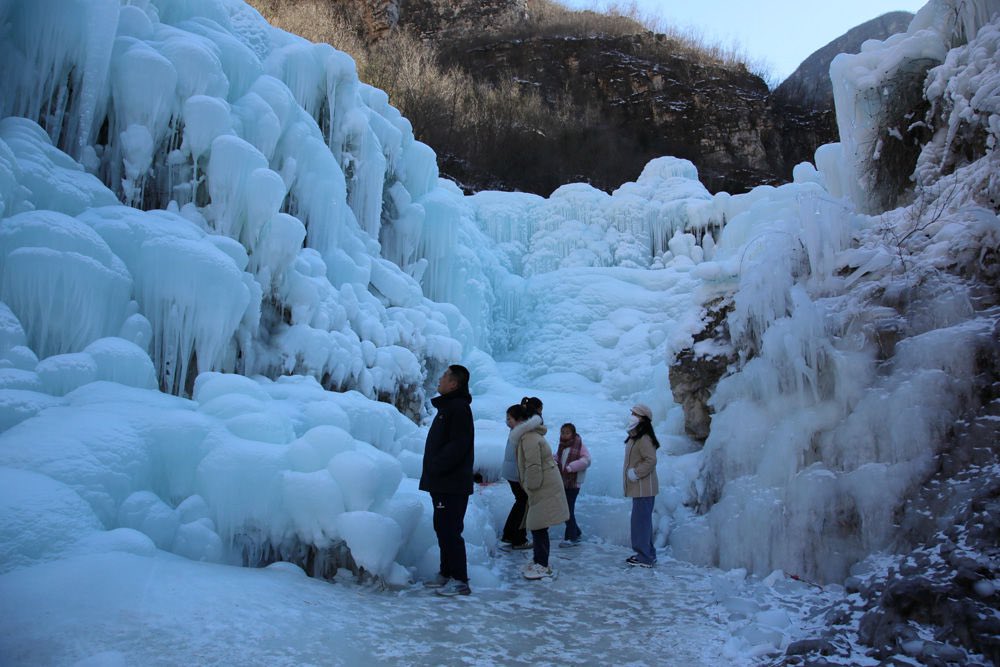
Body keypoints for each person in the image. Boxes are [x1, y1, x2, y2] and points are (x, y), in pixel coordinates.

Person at [419, 365, 475, 596]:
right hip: (444, 482)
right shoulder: (449, 408)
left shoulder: (458, 409)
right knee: (442, 528)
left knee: (450, 530)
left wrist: (436, 466)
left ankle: (460, 580)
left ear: (454, 384)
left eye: (443, 376)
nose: (439, 379)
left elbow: (458, 446)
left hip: (451, 483)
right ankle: (446, 574)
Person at [509, 403, 569, 580]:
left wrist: (531, 488)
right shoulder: (529, 436)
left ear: (522, 420)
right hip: (543, 486)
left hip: (542, 487)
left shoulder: (528, 438)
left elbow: (533, 465)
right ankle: (538, 561)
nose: (508, 422)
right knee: (538, 525)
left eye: (510, 419)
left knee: (538, 525)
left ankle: (542, 565)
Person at [499, 396, 544, 550]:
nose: (507, 421)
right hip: (517, 474)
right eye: (507, 418)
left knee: (520, 503)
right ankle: (518, 539)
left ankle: (509, 535)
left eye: (509, 418)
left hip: (512, 473)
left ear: (519, 419)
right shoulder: (522, 432)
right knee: (523, 505)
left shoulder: (518, 431)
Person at [623, 403, 659, 568]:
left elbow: (651, 460)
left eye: (634, 413)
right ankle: (648, 553)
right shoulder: (634, 436)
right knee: (642, 521)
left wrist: (636, 473)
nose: (631, 415)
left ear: (642, 419)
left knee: (640, 522)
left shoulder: (644, 438)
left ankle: (644, 557)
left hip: (644, 487)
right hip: (640, 487)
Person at [555, 422, 591, 547]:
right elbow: (560, 458)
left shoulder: (579, 445)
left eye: (567, 433)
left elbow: (587, 460)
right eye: (562, 433)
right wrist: (554, 460)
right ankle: (576, 531)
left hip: (573, 483)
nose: (564, 435)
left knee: (568, 510)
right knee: (565, 509)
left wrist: (571, 467)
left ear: (573, 434)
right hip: (563, 482)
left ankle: (571, 538)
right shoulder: (562, 446)